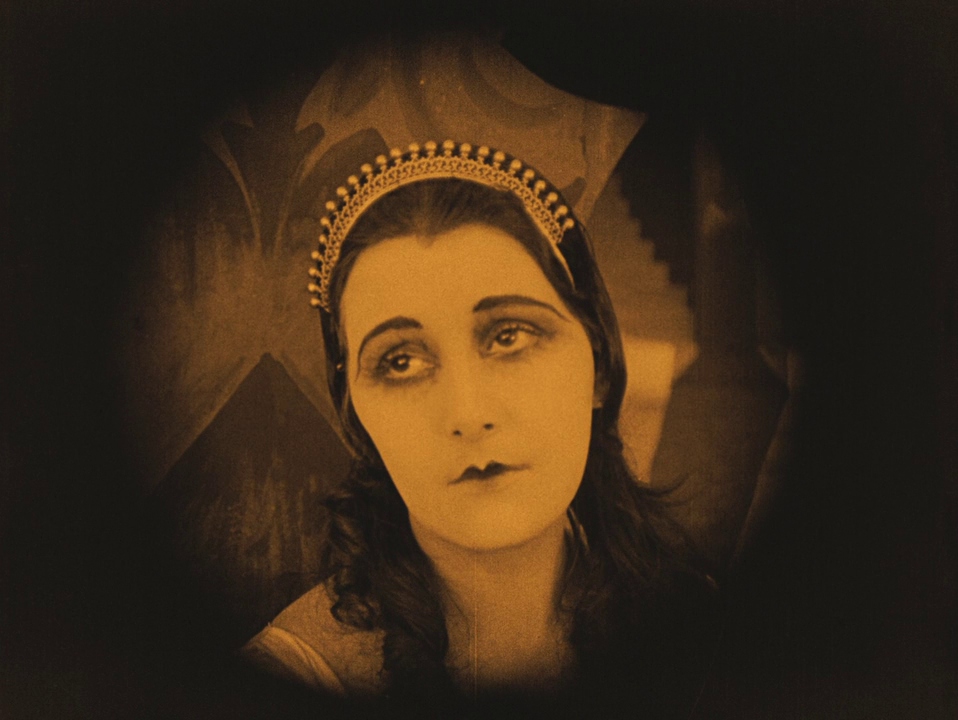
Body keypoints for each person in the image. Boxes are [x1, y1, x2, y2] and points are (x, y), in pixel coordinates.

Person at [242, 140, 720, 717]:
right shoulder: (287, 680)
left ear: (597, 365)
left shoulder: (701, 627)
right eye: (400, 361)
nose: (468, 415)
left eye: (509, 335)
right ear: (356, 417)